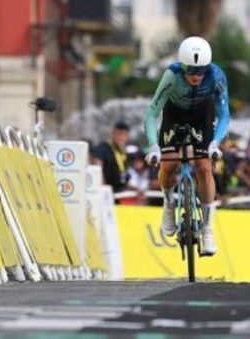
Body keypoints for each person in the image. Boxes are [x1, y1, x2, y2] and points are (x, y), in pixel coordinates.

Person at [143, 36, 230, 256]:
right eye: (190, 71)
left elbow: (225, 114)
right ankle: (168, 202)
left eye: (200, 71)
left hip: (203, 115)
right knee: (167, 166)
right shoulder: (171, 75)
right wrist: (153, 146)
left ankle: (208, 229)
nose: (195, 76)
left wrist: (215, 143)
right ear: (182, 66)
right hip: (174, 115)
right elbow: (152, 112)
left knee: (203, 167)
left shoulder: (217, 76)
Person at [92, 120, 131, 192]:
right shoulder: (104, 148)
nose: (121, 137)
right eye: (118, 134)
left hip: (120, 193)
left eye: (124, 134)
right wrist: (103, 190)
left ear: (127, 136)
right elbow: (97, 166)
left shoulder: (124, 153)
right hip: (106, 194)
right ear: (113, 134)